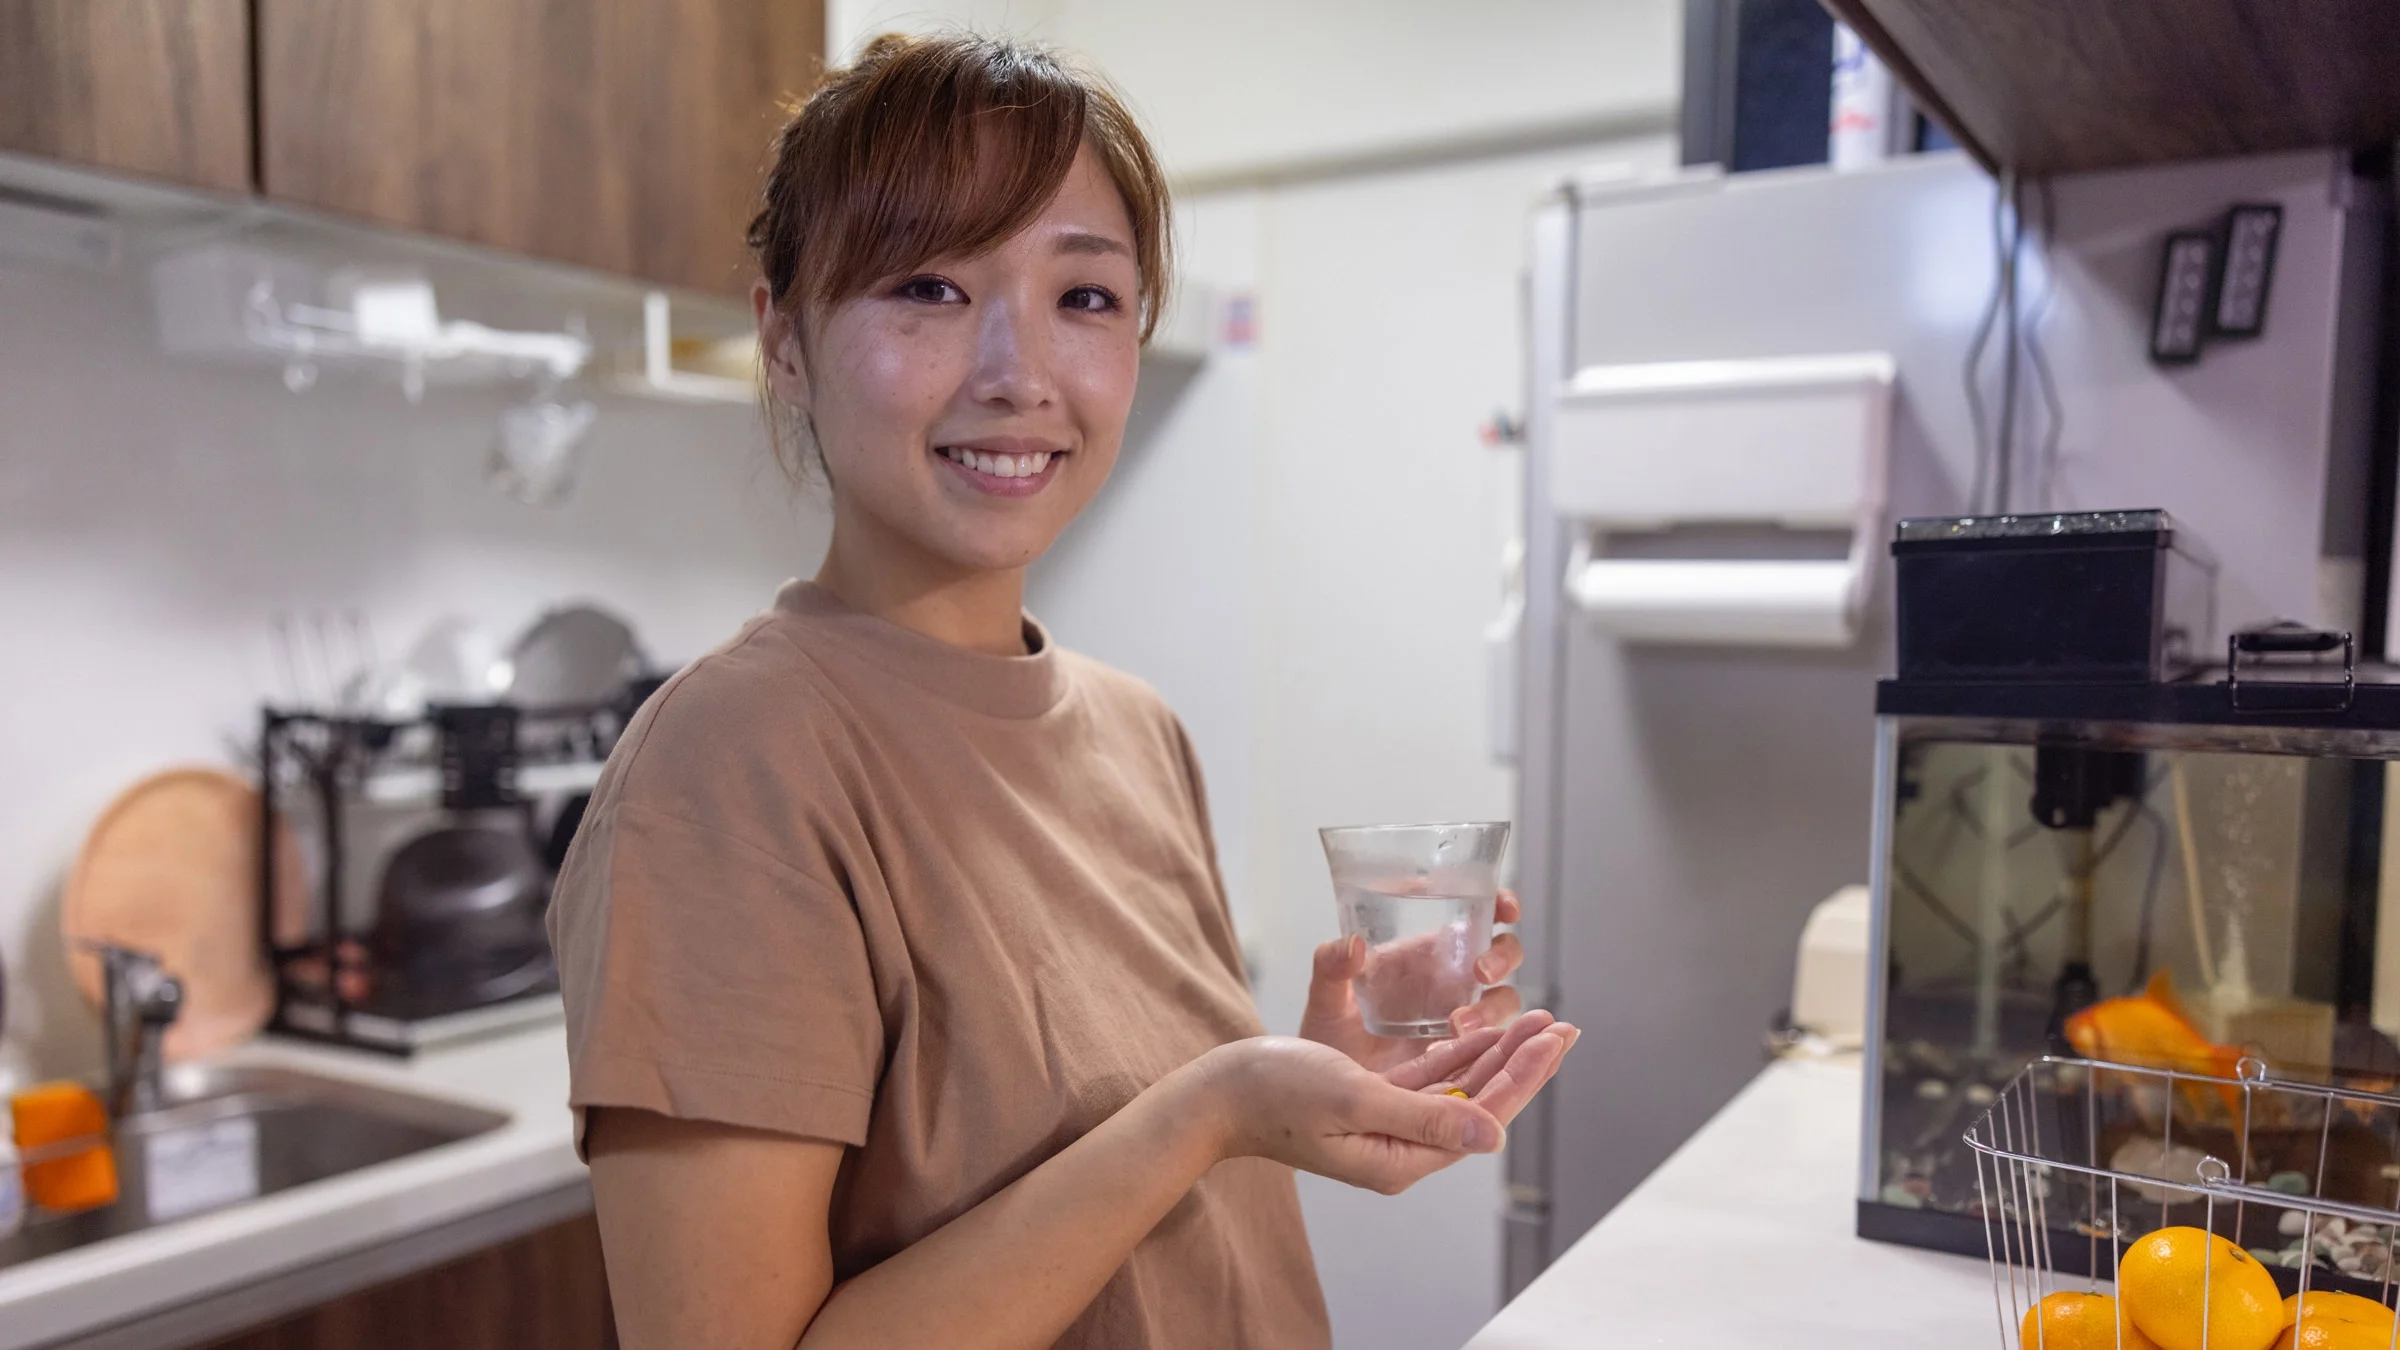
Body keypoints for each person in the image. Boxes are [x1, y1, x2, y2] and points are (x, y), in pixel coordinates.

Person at [547, 31, 1580, 1350]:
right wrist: (1213, 1109)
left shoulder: (1137, 730)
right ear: (785, 340)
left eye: (1083, 297)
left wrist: (1303, 1087)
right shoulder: (729, 766)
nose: (1018, 373)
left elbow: (1129, 1188)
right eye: (928, 286)